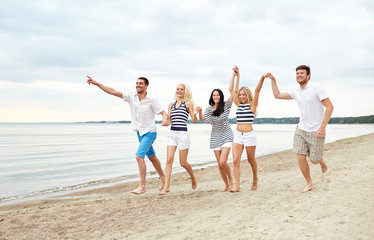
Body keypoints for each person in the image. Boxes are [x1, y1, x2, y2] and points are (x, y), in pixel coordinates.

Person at [86, 76, 169, 195]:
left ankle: (142, 186)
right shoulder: (131, 96)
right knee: (152, 157)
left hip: (150, 132)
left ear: (146, 86)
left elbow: (163, 112)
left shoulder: (152, 100)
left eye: (141, 83)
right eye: (137, 83)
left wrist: (165, 120)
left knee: (139, 156)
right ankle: (163, 177)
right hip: (139, 133)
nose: (138, 85)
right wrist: (97, 83)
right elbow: (113, 91)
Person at [267, 65, 334, 192]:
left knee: (314, 160)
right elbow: (277, 95)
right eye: (297, 73)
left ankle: (321, 160)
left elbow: (330, 107)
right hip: (301, 129)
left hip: (316, 130)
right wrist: (273, 79)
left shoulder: (317, 88)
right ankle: (309, 183)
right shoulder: (296, 91)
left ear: (308, 75)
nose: (299, 75)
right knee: (300, 156)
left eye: (302, 73)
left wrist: (322, 127)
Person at [196, 67, 238, 192]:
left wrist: (234, 75)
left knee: (222, 162)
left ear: (220, 96)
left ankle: (231, 179)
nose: (216, 97)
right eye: (214, 95)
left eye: (218, 95)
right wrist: (199, 112)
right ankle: (226, 184)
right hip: (215, 136)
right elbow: (206, 120)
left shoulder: (226, 105)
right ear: (212, 97)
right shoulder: (209, 109)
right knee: (219, 164)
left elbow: (233, 92)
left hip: (227, 135)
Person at [230, 66, 266, 192]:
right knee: (235, 160)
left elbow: (257, 90)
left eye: (243, 94)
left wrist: (262, 78)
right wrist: (236, 75)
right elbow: (231, 89)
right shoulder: (238, 104)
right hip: (238, 135)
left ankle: (255, 178)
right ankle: (237, 186)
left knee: (251, 160)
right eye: (240, 94)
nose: (241, 96)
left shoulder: (252, 105)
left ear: (247, 95)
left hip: (250, 135)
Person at [159, 83, 199, 195]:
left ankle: (193, 177)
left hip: (183, 135)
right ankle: (166, 186)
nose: (179, 91)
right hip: (172, 134)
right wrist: (165, 121)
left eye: (181, 89)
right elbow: (169, 120)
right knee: (169, 160)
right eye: (177, 89)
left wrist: (196, 112)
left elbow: (194, 120)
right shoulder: (171, 105)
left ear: (185, 91)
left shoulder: (188, 104)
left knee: (183, 162)